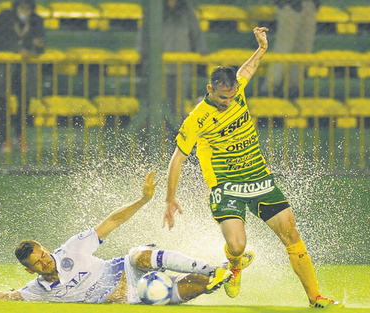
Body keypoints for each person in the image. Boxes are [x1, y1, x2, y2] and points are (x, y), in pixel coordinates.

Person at [163, 27, 343, 308]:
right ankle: (234, 265)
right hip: (225, 184)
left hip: (258, 178)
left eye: (232, 97)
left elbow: (248, 68)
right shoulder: (197, 119)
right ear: (210, 90)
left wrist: (261, 48)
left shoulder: (238, 88)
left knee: (292, 235)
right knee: (237, 246)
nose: (228, 102)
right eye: (223, 98)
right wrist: (170, 198)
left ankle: (315, 298)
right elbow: (177, 158)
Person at [0, 172, 242, 304]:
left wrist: (144, 199)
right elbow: (7, 296)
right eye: (39, 263)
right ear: (30, 270)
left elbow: (112, 221)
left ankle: (214, 267)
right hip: (132, 296)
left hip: (125, 268)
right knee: (186, 288)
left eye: (44, 254)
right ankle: (224, 277)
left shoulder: (71, 249)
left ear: (45, 248)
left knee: (138, 254)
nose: (46, 261)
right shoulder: (39, 291)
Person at [136, 0, 209, 130]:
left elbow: (195, 30)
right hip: (158, 64)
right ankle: (155, 137)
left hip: (182, 64)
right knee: (157, 102)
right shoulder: (154, 9)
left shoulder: (186, 9)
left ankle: (177, 138)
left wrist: (201, 49)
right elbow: (144, 33)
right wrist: (143, 53)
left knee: (177, 104)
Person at [0, 0, 45, 152]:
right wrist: (17, 49)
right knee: (3, 101)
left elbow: (41, 44)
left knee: (25, 101)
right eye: (22, 7)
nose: (24, 11)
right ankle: (3, 138)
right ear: (16, 7)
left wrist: (36, 46)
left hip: (25, 68)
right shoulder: (5, 17)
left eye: (28, 8)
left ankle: (19, 135)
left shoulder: (37, 20)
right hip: (5, 66)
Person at [260, 0, 320, 99]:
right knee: (284, 47)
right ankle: (269, 88)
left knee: (303, 49)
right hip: (289, 4)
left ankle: (293, 88)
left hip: (309, 4)